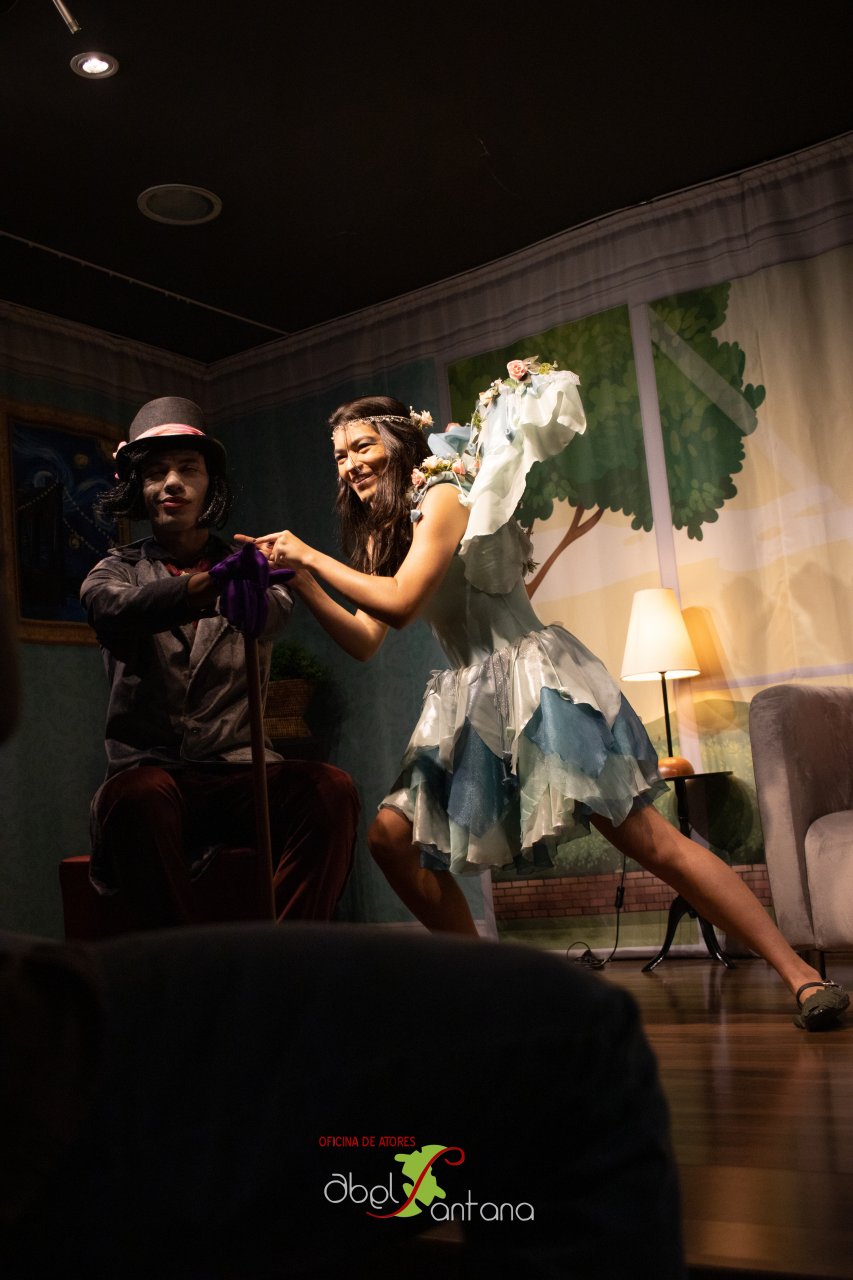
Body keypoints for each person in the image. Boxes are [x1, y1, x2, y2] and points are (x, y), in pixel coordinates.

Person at [240, 360, 848, 1031]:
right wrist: (302, 582)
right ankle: (487, 988)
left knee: (650, 842)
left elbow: (404, 603)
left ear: (398, 442)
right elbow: (364, 638)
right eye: (339, 456)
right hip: (470, 701)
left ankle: (801, 976)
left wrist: (308, 555)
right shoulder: (387, 531)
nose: (350, 465)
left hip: (534, 684)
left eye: (362, 446)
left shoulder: (444, 492)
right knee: (390, 837)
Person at [80, 395, 358, 928]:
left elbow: (273, 611)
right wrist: (208, 586)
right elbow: (114, 608)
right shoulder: (113, 570)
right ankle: (190, 963)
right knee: (136, 797)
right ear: (137, 486)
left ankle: (284, 955)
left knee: (330, 789)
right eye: (156, 473)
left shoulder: (247, 565)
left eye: (188, 469)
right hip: (153, 773)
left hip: (238, 772)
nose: (173, 483)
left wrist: (250, 594)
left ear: (211, 483)